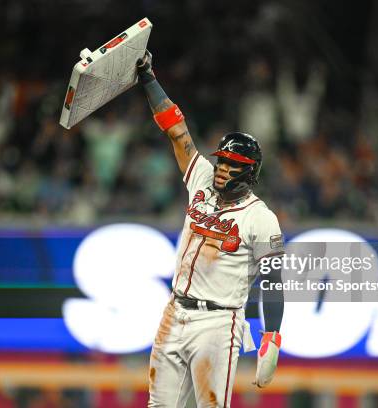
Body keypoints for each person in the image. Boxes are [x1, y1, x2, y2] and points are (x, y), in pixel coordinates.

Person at [137, 51, 285, 407]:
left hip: (219, 322)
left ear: (249, 172)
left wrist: (273, 335)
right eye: (222, 160)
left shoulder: (260, 217)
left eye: (233, 164)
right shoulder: (202, 178)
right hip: (175, 310)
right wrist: (148, 77)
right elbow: (177, 132)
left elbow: (273, 281)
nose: (221, 168)